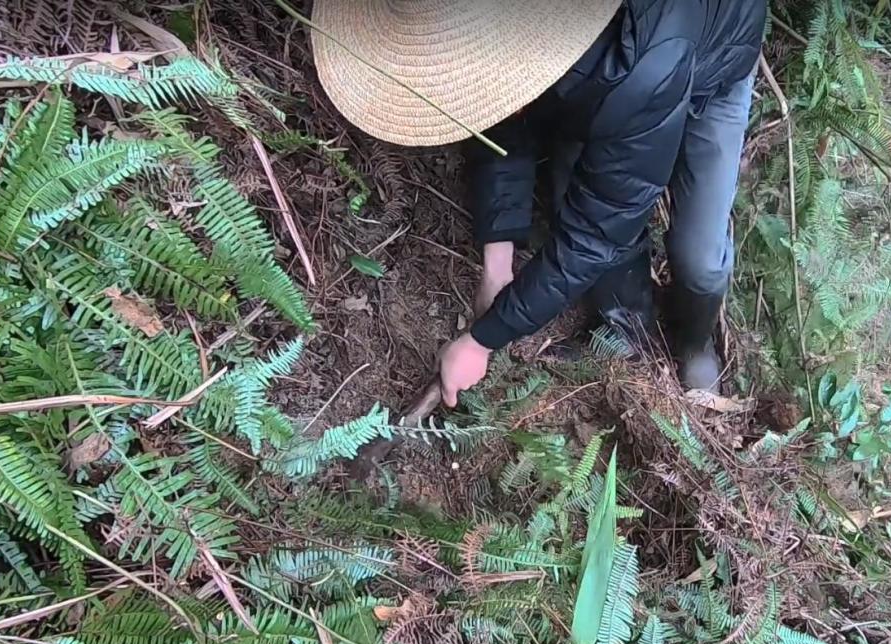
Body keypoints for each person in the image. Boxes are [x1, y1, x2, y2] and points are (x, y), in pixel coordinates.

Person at [311, 0, 767, 407]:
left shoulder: (643, 58)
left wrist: (481, 341)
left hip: (713, 64)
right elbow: (502, 118)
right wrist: (497, 261)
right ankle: (626, 326)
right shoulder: (511, 23)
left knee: (699, 256)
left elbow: (597, 229)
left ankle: (695, 339)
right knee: (576, 186)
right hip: (620, 74)